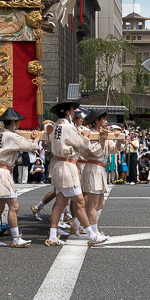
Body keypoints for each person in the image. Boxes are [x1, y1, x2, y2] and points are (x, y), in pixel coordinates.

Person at [43, 99, 96, 246]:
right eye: (72, 111)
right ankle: (92, 236)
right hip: (67, 166)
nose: (73, 113)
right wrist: (85, 135)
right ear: (67, 112)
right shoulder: (68, 127)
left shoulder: (54, 126)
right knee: (79, 202)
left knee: (60, 203)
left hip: (58, 165)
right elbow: (82, 144)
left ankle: (53, 236)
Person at [0, 106, 39, 247]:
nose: (19, 124)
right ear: (14, 122)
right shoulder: (11, 136)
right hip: (3, 173)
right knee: (14, 206)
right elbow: (28, 146)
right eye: (17, 122)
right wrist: (36, 140)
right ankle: (16, 238)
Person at [76, 109, 116, 245]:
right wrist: (103, 139)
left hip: (100, 169)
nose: (105, 121)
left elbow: (113, 150)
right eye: (103, 119)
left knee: (100, 204)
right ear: (96, 121)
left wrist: (119, 140)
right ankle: (93, 232)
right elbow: (94, 151)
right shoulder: (90, 134)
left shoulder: (102, 133)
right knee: (92, 204)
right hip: (92, 168)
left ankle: (85, 225)